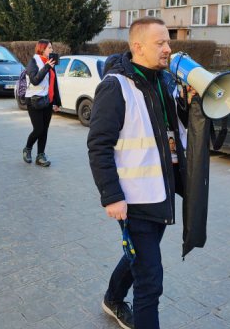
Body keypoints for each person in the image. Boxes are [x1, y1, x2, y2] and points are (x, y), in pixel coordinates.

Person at [88, 17, 191, 329]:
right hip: (133, 199)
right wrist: (112, 196)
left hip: (162, 193)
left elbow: (173, 133)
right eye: (160, 43)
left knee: (140, 258)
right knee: (150, 279)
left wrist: (189, 106)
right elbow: (98, 145)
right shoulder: (115, 87)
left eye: (168, 42)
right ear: (137, 46)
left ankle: (112, 298)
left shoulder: (164, 83)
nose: (168, 49)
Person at [23, 40, 61, 167]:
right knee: (38, 129)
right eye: (49, 48)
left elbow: (53, 83)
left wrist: (56, 102)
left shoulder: (50, 63)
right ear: (42, 49)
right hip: (34, 101)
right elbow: (34, 80)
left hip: (47, 101)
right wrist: (46, 67)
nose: (52, 50)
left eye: (51, 48)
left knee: (44, 130)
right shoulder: (33, 62)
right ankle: (27, 149)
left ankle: (40, 156)